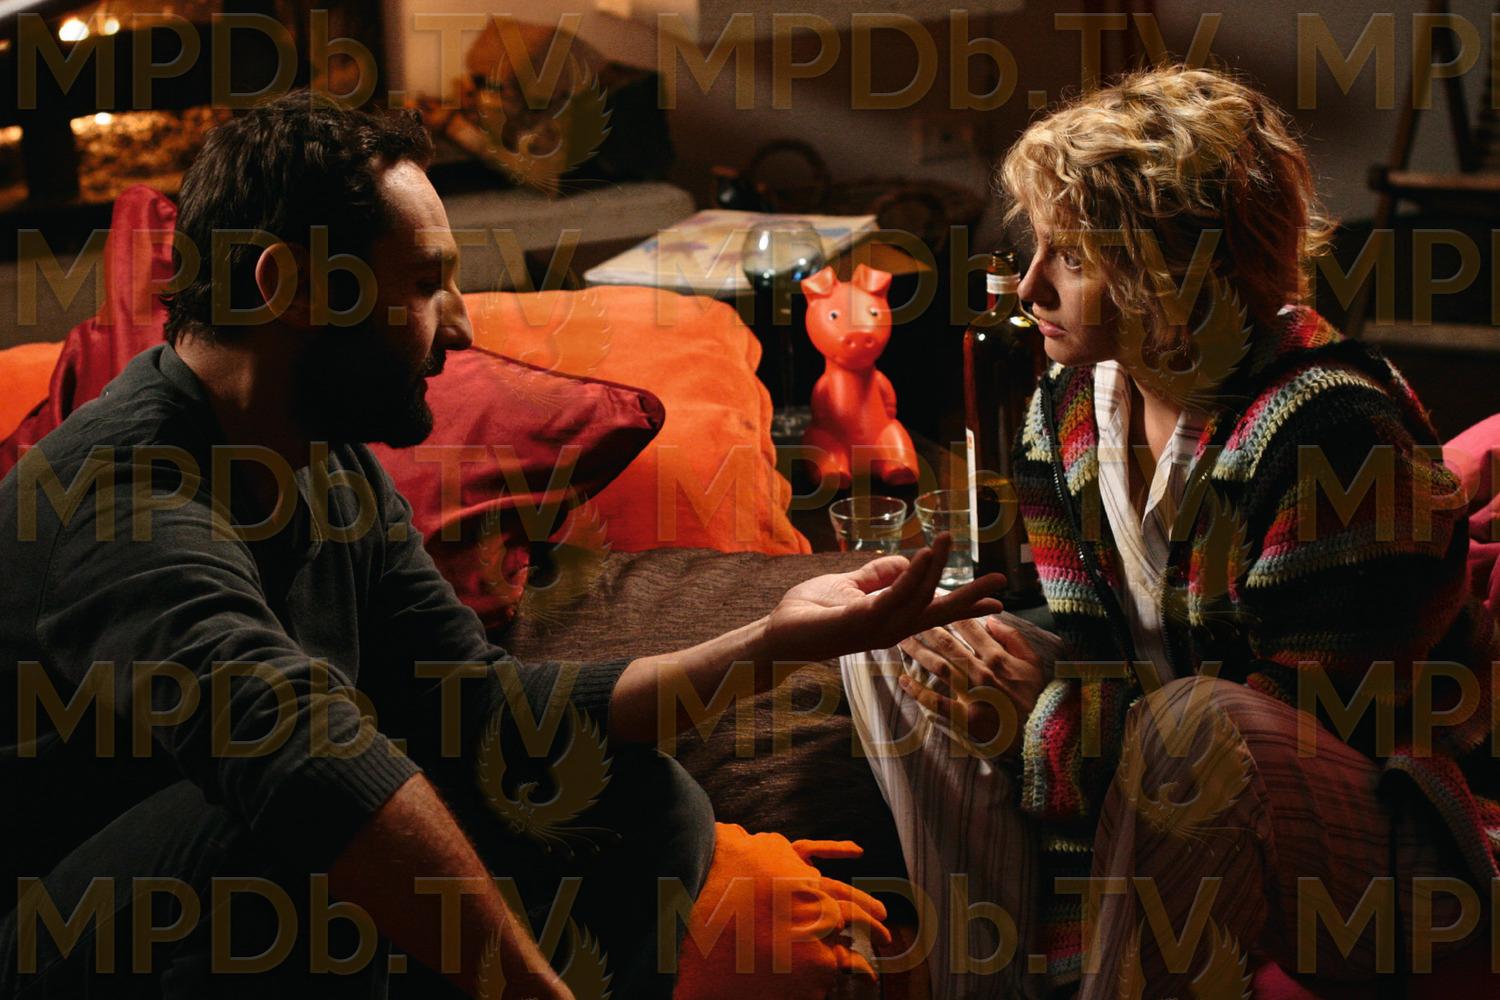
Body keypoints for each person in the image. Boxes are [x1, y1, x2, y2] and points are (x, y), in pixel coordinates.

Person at [0, 92, 1006, 999]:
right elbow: (297, 753)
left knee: (635, 795)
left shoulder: (322, 459)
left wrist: (769, 644)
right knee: (290, 815)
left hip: (243, 895)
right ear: (286, 286)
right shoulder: (117, 498)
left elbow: (486, 711)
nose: (458, 326)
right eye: (425, 282)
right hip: (55, 938)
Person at [846, 65, 1500, 998]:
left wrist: (1042, 722)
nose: (1029, 286)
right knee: (892, 635)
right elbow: (1093, 646)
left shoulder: (1332, 431)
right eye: (1037, 247)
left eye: (1072, 257)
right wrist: (1026, 698)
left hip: (1389, 845)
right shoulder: (1066, 409)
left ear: (1175, 272)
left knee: (1193, 726)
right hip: (1158, 755)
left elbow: (1307, 730)